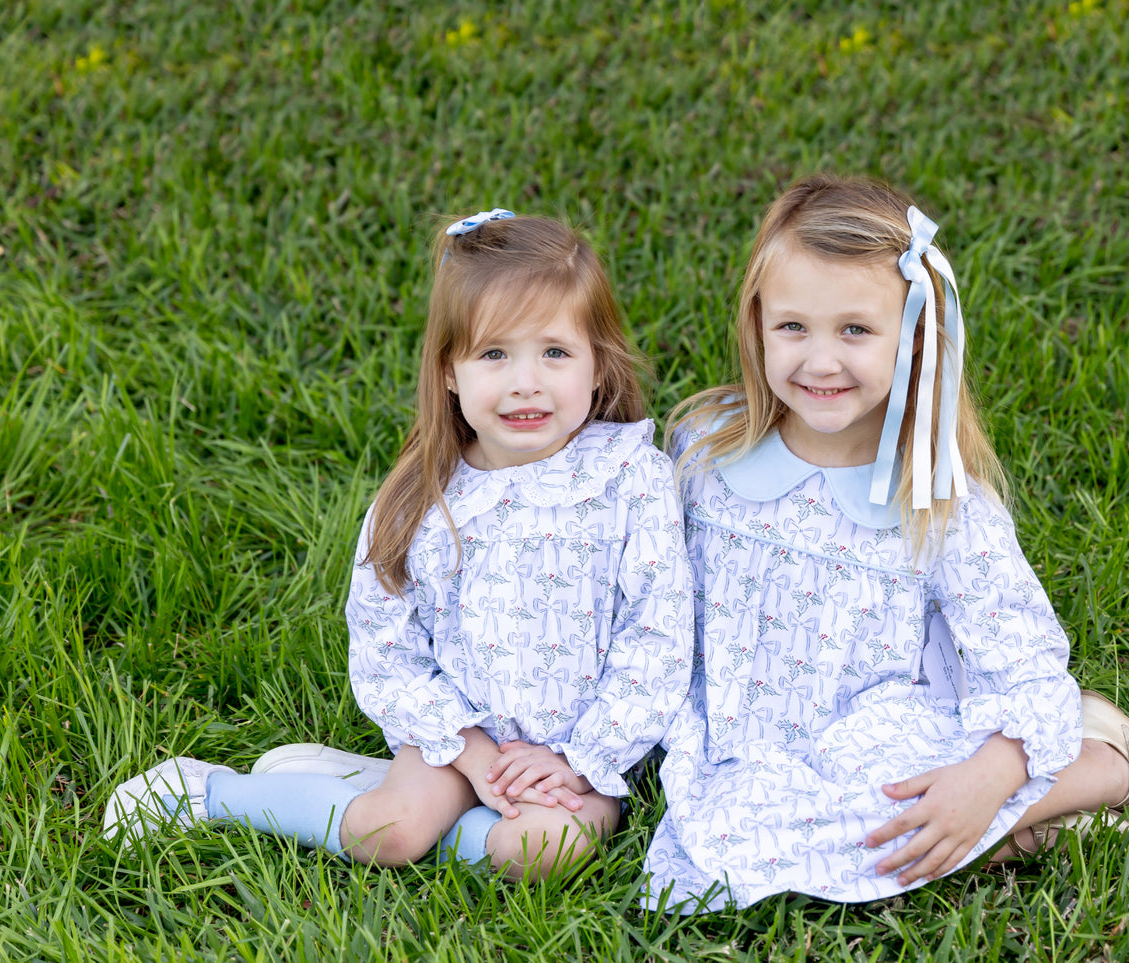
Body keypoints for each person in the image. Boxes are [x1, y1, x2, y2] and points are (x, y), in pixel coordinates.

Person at [640, 175, 1129, 912]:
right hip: (743, 731)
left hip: (877, 728)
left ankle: (1099, 768)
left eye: (855, 331)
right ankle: (1020, 833)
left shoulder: (932, 496)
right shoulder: (704, 452)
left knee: (889, 825)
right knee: (741, 858)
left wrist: (992, 770)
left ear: (914, 337)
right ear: (756, 324)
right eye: (792, 328)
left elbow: (1021, 652)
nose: (819, 361)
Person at [103, 210, 694, 880]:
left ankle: (365, 784)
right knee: (387, 833)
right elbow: (387, 644)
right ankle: (217, 793)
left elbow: (658, 635)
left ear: (596, 366)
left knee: (539, 853)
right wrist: (469, 751)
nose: (526, 380)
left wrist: (577, 756)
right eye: (494, 353)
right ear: (449, 370)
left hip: (578, 753)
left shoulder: (630, 480)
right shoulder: (424, 495)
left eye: (554, 352)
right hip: (455, 736)